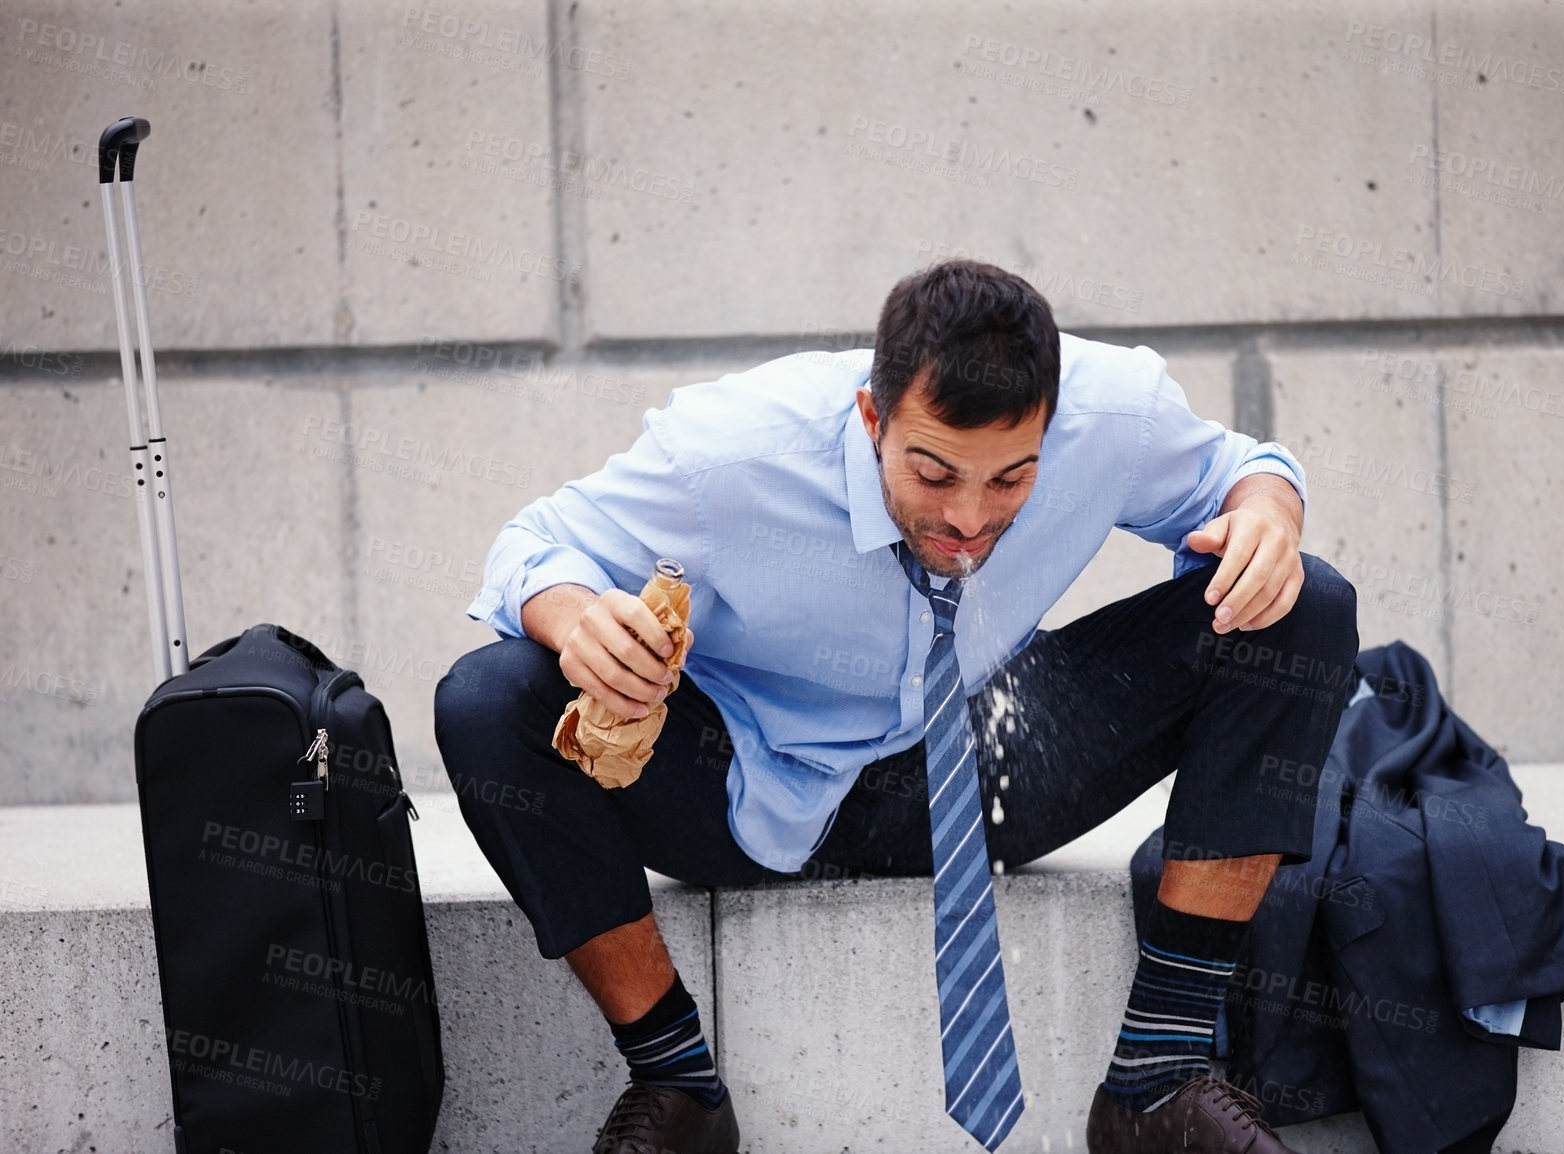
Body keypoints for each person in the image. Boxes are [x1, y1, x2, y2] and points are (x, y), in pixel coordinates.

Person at [435, 259, 1358, 1154]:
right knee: (489, 698)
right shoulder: (729, 454)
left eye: (1010, 480)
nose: (967, 518)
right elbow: (530, 545)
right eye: (933, 472)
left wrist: (1269, 516)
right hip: (741, 784)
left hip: (991, 767)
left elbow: (1250, 469)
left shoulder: (1112, 412)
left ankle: (1158, 1083)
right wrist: (576, 619)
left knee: (1300, 604)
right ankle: (676, 1085)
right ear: (874, 415)